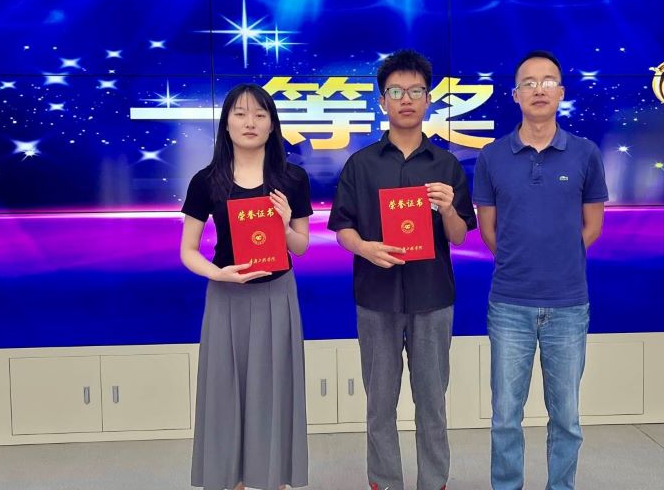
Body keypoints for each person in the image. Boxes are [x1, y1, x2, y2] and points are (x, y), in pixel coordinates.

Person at [328, 49, 477, 490]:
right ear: (382, 101)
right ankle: (384, 482)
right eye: (395, 91)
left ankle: (435, 482)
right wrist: (365, 248)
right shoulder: (361, 164)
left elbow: (459, 236)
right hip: (376, 296)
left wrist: (448, 209)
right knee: (380, 404)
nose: (406, 99)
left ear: (428, 99)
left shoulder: (446, 165)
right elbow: (342, 228)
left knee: (432, 403)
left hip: (433, 297)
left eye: (415, 91)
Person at [473, 50, 608, 490]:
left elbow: (592, 226)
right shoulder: (492, 156)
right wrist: (522, 259)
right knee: (505, 416)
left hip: (568, 305)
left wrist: (558, 258)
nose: (539, 90)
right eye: (528, 83)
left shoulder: (585, 154)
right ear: (515, 95)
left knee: (566, 417)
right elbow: (488, 229)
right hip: (509, 304)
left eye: (548, 81)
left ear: (561, 92)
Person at [180, 83, 312, 490]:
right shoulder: (207, 181)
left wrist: (285, 223)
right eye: (239, 113)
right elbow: (188, 251)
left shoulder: (292, 178)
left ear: (272, 125)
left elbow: (301, 247)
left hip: (277, 295)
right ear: (226, 124)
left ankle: (273, 478)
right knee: (226, 390)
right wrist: (217, 274)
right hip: (226, 296)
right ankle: (231, 479)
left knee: (274, 390)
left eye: (259, 114)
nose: (249, 122)